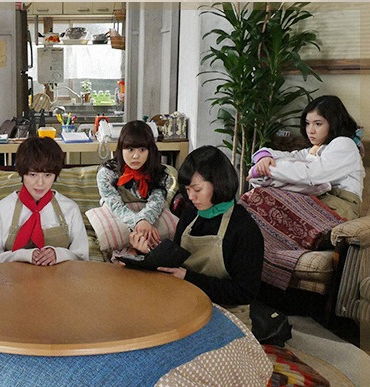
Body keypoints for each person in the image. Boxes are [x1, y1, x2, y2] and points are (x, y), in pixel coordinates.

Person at [130, 146, 263, 327]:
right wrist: (148, 253)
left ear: (219, 183)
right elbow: (175, 262)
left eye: (197, 189)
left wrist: (188, 278)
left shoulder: (244, 228)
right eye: (187, 189)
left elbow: (244, 292)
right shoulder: (191, 215)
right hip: (187, 305)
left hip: (228, 316)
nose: (191, 197)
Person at [248, 95, 365, 220]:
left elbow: (311, 175)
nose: (310, 130)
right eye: (308, 123)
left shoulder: (344, 144)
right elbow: (290, 156)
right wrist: (264, 157)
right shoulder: (317, 149)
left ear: (334, 123)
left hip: (341, 205)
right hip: (320, 200)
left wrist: (265, 169)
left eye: (318, 124)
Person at [0, 137, 89, 265]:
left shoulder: (70, 208)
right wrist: (23, 255)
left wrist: (59, 254)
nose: (40, 183)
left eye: (47, 175)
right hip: (13, 277)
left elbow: (82, 259)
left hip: (61, 277)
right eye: (33, 175)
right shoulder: (3, 209)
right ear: (22, 173)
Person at [96, 120, 170, 250]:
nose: (136, 156)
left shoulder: (161, 174)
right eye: (130, 149)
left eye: (142, 149)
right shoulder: (106, 173)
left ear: (150, 150)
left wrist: (145, 220)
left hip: (149, 220)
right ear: (121, 149)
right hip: (118, 217)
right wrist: (138, 222)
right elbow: (115, 205)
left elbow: (157, 201)